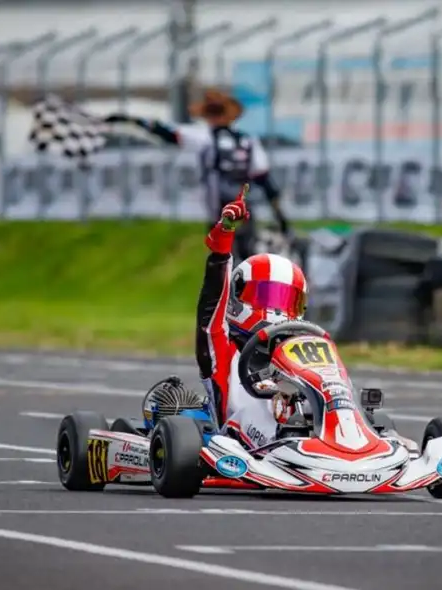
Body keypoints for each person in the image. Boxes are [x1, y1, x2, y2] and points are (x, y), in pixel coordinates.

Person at [110, 89, 289, 262]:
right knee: (247, 256)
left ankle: (228, 290)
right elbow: (265, 181)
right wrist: (281, 218)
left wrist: (131, 121)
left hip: (217, 207)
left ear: (208, 116)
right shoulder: (248, 140)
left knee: (222, 259)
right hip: (243, 206)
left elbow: (165, 132)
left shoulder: (204, 137)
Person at [195, 184, 307, 448]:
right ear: (238, 298)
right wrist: (222, 241)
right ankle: (288, 444)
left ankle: (353, 440)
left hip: (305, 433)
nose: (278, 309)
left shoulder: (296, 356)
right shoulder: (224, 353)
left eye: (288, 299)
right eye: (268, 295)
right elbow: (210, 310)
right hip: (242, 443)